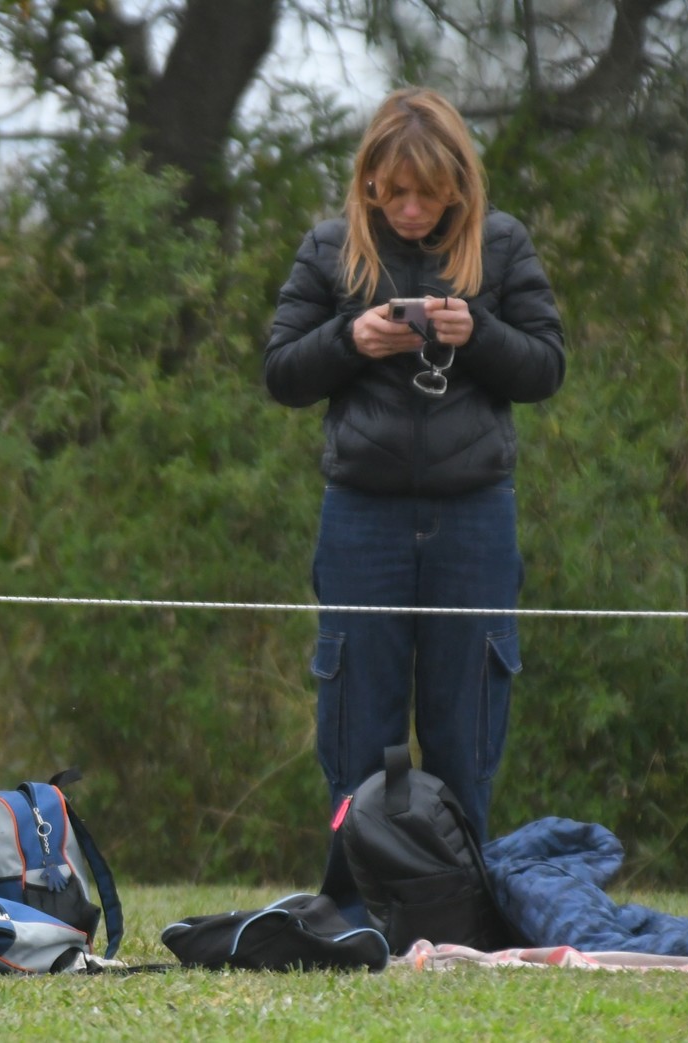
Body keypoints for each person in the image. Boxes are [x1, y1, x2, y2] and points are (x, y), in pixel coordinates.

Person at [263, 87, 565, 911]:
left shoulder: (500, 247)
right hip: (361, 516)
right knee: (355, 715)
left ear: (456, 188)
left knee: (465, 721)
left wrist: (478, 334)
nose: (407, 207)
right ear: (366, 184)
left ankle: (463, 907)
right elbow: (280, 373)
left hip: (474, 516)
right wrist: (350, 339)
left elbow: (545, 367)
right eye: (391, 191)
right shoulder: (329, 249)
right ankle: (349, 900)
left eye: (425, 193)